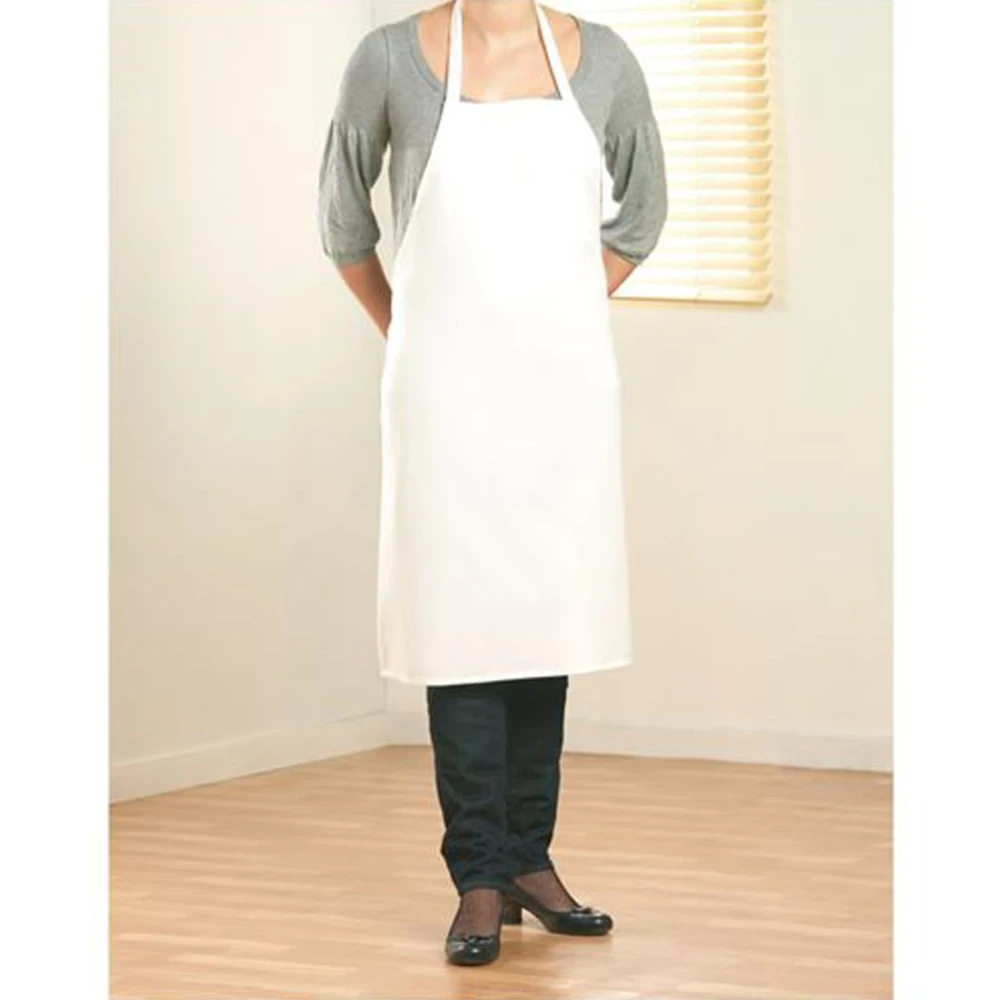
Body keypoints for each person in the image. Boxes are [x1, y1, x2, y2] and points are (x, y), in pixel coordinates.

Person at [318, 0, 667, 967]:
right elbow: (342, 222)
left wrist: (557, 310)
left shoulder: (605, 60)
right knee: (460, 622)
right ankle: (478, 872)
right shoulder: (387, 59)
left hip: (560, 388)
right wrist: (410, 331)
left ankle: (527, 861)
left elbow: (643, 213)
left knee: (543, 617)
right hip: (444, 390)